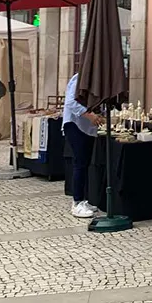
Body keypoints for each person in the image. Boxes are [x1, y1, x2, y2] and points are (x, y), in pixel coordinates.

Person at [62, 73, 105, 218]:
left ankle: (83, 200)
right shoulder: (79, 78)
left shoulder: (100, 79)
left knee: (85, 163)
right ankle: (77, 202)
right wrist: (90, 115)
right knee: (80, 162)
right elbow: (71, 102)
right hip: (75, 124)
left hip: (88, 128)